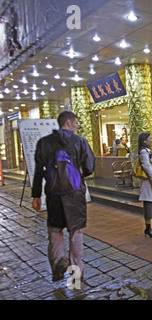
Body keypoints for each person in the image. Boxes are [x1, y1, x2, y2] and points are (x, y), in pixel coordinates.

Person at [31, 111, 95, 281]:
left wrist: (36, 195)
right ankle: (76, 271)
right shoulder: (80, 141)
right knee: (76, 233)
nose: (77, 126)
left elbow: (38, 171)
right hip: (75, 195)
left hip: (53, 195)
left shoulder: (43, 143)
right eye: (75, 123)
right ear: (68, 123)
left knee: (55, 231)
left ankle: (59, 263)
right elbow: (89, 166)